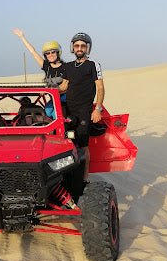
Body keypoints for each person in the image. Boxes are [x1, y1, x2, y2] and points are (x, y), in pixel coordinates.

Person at [59, 32, 105, 185]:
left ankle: (84, 178)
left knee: (83, 145)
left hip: (84, 111)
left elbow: (100, 88)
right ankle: (66, 176)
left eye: (83, 46)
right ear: (72, 48)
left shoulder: (93, 65)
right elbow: (64, 86)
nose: (79, 48)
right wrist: (47, 89)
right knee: (66, 143)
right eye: (77, 45)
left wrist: (97, 109)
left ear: (87, 48)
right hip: (67, 111)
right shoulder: (68, 66)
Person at [12, 28, 67, 118]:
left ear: (58, 52)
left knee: (55, 114)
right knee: (47, 111)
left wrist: (47, 91)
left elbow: (65, 87)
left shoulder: (66, 67)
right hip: (54, 98)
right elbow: (33, 52)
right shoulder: (46, 66)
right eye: (47, 53)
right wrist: (22, 37)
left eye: (53, 52)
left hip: (64, 99)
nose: (51, 55)